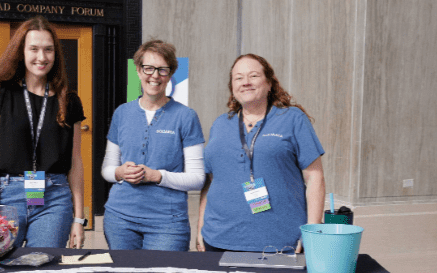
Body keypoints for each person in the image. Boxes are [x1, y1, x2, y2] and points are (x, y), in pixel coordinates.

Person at [0, 16, 87, 249]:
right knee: (3, 271)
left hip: (54, 198)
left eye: (48, 50)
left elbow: (76, 162)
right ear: (21, 52)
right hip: (8, 197)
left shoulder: (70, 101)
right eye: (33, 49)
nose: (42, 57)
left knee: (42, 269)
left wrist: (78, 218)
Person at [198, 54, 326, 253]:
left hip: (278, 241)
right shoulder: (220, 124)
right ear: (232, 87)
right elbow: (211, 181)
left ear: (269, 84)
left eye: (254, 76)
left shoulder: (292, 119)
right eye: (238, 78)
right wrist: (200, 228)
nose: (246, 82)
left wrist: (313, 230)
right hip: (217, 238)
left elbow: (315, 177)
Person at [101, 40, 205, 251]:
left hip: (167, 223)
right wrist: (120, 172)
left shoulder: (186, 116)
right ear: (139, 71)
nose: (155, 75)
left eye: (162, 70)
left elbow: (197, 178)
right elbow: (107, 170)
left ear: (171, 74)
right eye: (148, 68)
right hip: (119, 219)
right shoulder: (122, 113)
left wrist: (157, 176)